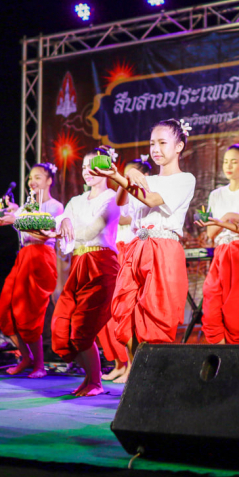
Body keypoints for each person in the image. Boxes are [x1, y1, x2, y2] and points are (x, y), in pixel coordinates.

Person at [91, 119, 196, 377]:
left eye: (162, 143)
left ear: (179, 146)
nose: (156, 149)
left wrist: (119, 176)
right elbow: (121, 203)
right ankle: (139, 373)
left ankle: (153, 378)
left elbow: (151, 200)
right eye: (152, 144)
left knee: (156, 314)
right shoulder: (145, 178)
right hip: (136, 247)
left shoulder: (185, 179)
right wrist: (125, 178)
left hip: (163, 248)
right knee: (124, 310)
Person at [47, 147, 121, 396]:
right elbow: (62, 228)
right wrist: (63, 222)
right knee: (61, 327)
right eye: (83, 167)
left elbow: (91, 231)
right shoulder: (75, 201)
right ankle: (90, 379)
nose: (87, 171)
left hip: (101, 264)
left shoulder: (113, 198)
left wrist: (62, 228)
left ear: (106, 168)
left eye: (93, 166)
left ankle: (95, 382)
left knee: (82, 330)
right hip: (79, 264)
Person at [0, 162, 64, 377]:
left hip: (41, 257)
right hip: (23, 257)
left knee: (30, 313)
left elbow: (42, 231)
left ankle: (39, 365)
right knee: (5, 310)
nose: (32, 182)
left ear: (49, 180)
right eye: (30, 178)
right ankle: (26, 357)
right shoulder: (25, 207)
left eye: (38, 177)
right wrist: (1, 211)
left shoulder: (55, 206)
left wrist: (17, 217)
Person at [194, 141, 239, 344]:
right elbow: (211, 233)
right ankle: (220, 352)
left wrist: (222, 223)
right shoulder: (216, 195)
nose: (228, 166)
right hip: (221, 253)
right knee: (212, 304)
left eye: (234, 162)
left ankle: (233, 355)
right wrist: (226, 217)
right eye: (226, 161)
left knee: (238, 312)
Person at [100, 155, 151, 383]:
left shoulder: (143, 196)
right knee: (114, 313)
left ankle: (132, 365)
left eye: (130, 173)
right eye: (124, 173)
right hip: (117, 251)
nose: (125, 177)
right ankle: (120, 363)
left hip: (131, 251)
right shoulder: (121, 194)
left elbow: (122, 219)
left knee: (129, 312)